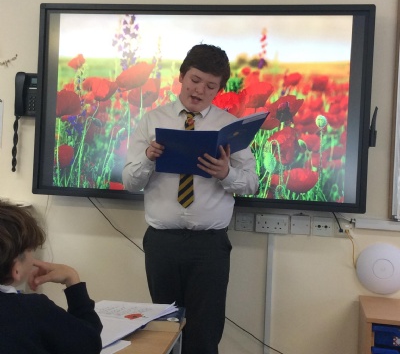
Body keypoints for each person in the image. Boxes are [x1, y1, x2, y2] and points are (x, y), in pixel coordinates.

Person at [122, 44, 258, 354]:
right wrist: (148, 157)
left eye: (210, 86)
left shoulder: (229, 127)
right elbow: (130, 182)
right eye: (195, 80)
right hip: (162, 243)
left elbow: (251, 182)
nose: (200, 90)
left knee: (204, 334)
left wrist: (226, 173)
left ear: (219, 89)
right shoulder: (152, 120)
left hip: (209, 246)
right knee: (164, 332)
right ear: (182, 77)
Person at [0, 200, 103, 354]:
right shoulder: (33, 310)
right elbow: (89, 343)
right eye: (31, 250)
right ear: (16, 270)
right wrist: (72, 279)